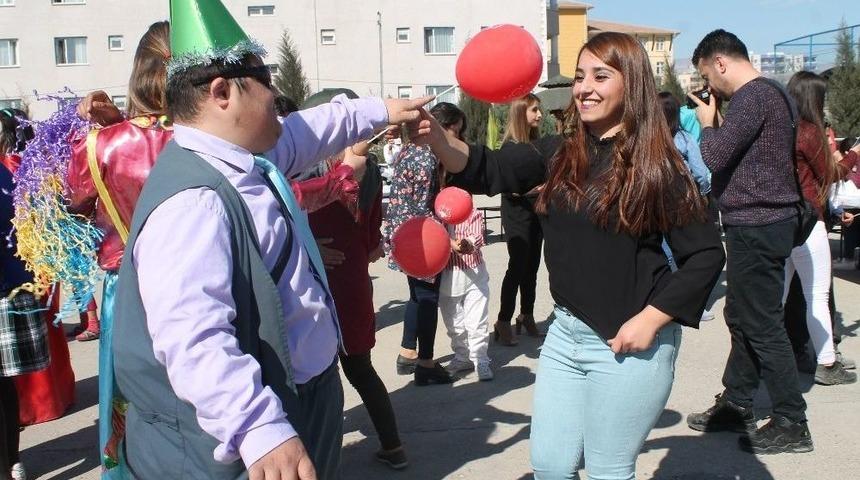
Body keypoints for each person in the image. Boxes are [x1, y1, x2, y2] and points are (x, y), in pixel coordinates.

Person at [110, 1, 427, 478]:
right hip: (240, 436)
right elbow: (194, 337)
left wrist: (381, 111)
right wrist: (258, 427)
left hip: (302, 395)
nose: (276, 93)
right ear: (222, 93)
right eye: (264, 79)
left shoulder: (236, 152)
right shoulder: (194, 201)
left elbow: (308, 131)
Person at [413, 32, 725, 479]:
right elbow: (491, 167)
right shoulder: (558, 153)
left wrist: (651, 320)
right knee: (552, 466)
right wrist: (437, 139)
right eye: (580, 77)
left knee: (607, 470)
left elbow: (707, 256)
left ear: (631, 83)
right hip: (565, 336)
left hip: (630, 346)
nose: (584, 88)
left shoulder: (660, 167)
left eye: (601, 76)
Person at [686, 29, 813, 454]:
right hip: (761, 223)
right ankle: (737, 402)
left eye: (707, 74)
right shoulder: (771, 95)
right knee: (742, 317)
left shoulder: (752, 96)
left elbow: (716, 156)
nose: (710, 85)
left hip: (757, 225)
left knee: (761, 324)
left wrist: (706, 125)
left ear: (720, 63)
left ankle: (792, 421)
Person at [66, 21, 173, 478]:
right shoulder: (204, 137)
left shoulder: (97, 144)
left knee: (128, 401)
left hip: (126, 289)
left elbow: (74, 203)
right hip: (200, 282)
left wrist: (101, 129)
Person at [301, 138, 408, 470]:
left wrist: (308, 243)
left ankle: (323, 459)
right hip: (352, 278)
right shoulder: (371, 173)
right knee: (360, 369)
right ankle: (393, 446)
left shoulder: (314, 173)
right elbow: (373, 242)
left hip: (318, 280)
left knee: (320, 377)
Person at [780, 71, 855, 385]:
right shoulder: (808, 131)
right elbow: (830, 174)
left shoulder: (780, 128)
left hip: (780, 222)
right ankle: (827, 362)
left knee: (777, 298)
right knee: (816, 295)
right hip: (809, 221)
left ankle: (761, 360)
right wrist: (853, 156)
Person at [384, 102, 465, 386]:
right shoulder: (426, 157)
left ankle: (408, 351)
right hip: (419, 240)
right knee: (428, 298)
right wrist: (445, 237)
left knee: (417, 296)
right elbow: (421, 208)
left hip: (403, 237)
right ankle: (426, 363)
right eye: (455, 131)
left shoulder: (409, 150)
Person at [1, 108, 45, 480]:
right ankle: (10, 461)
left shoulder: (5, 173)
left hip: (6, 289)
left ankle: (8, 462)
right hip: (10, 286)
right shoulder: (6, 171)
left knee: (3, 387)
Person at [495, 93, 545, 345]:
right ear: (520, 114)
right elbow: (504, 186)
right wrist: (528, 191)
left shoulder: (537, 145)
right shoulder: (509, 149)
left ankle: (526, 314)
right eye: (534, 110)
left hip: (537, 211)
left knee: (533, 266)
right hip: (517, 213)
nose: (539, 115)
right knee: (517, 266)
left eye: (539, 110)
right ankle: (503, 320)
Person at [439, 205, 493, 381]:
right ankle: (462, 357)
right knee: (454, 323)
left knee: (477, 321)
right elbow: (432, 232)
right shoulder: (436, 213)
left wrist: (467, 244)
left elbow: (476, 236)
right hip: (446, 274)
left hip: (474, 274)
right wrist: (449, 242)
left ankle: (480, 360)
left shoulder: (471, 211)